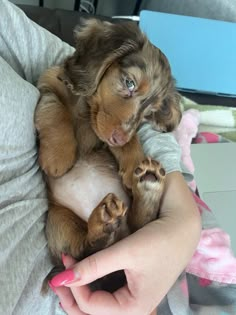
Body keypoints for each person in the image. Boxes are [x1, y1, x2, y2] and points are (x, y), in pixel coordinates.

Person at [0, 1, 203, 314]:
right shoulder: (75, 83)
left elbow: (68, 63)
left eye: (142, 111)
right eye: (129, 84)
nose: (125, 127)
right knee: (67, 229)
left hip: (139, 264)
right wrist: (56, 122)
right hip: (70, 228)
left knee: (126, 201)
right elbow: (54, 84)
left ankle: (140, 206)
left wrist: (184, 218)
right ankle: (111, 228)